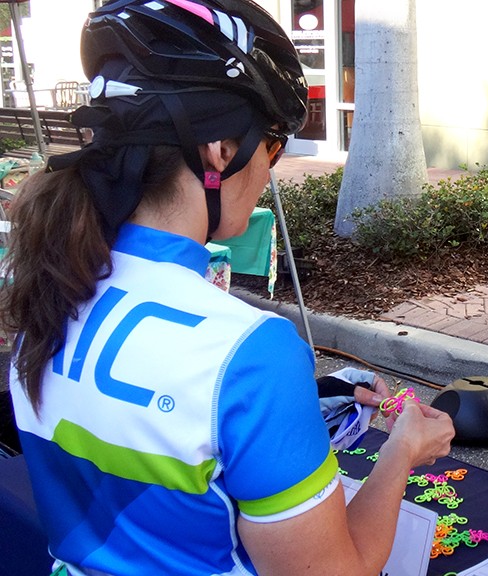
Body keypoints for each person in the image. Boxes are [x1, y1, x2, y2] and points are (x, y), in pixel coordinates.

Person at [0, 1, 454, 574]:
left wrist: (303, 400)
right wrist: (401, 452)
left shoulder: (50, 287)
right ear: (219, 149)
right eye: (273, 144)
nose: (269, 168)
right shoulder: (252, 351)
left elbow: (155, 422)